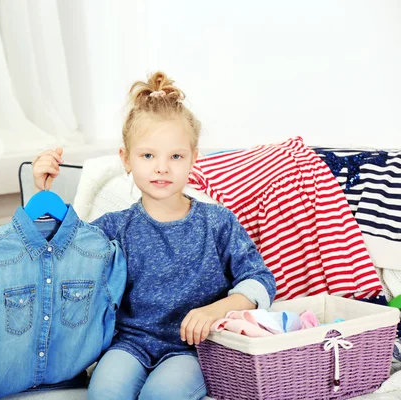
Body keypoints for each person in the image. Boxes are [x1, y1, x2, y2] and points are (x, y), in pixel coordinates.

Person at [32, 72, 276, 400]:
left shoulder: (217, 222)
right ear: (126, 160)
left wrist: (215, 310)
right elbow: (59, 257)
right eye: (148, 155)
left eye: (175, 156)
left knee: (161, 395)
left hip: (192, 349)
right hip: (129, 345)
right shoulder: (112, 228)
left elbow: (259, 279)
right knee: (103, 394)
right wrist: (40, 192)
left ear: (194, 159)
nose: (162, 167)